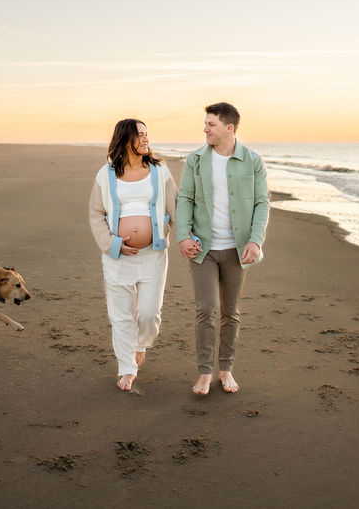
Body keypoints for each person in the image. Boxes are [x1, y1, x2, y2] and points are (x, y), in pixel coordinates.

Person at [176, 102, 269, 395]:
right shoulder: (195, 160)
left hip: (237, 250)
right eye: (205, 124)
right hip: (203, 248)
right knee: (207, 309)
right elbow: (185, 200)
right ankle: (205, 372)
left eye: (211, 124)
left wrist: (255, 240)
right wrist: (183, 236)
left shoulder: (252, 161)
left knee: (230, 312)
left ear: (229, 128)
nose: (205, 129)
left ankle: (225, 370)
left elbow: (261, 203)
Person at [88, 119, 178, 391]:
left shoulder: (160, 171)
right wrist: (112, 244)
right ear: (126, 140)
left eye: (147, 134)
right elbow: (96, 214)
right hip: (118, 258)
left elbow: (175, 209)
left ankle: (141, 343)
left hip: (153, 254)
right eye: (140, 135)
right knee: (121, 315)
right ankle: (127, 367)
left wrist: (186, 239)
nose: (146, 139)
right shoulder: (105, 175)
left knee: (150, 313)